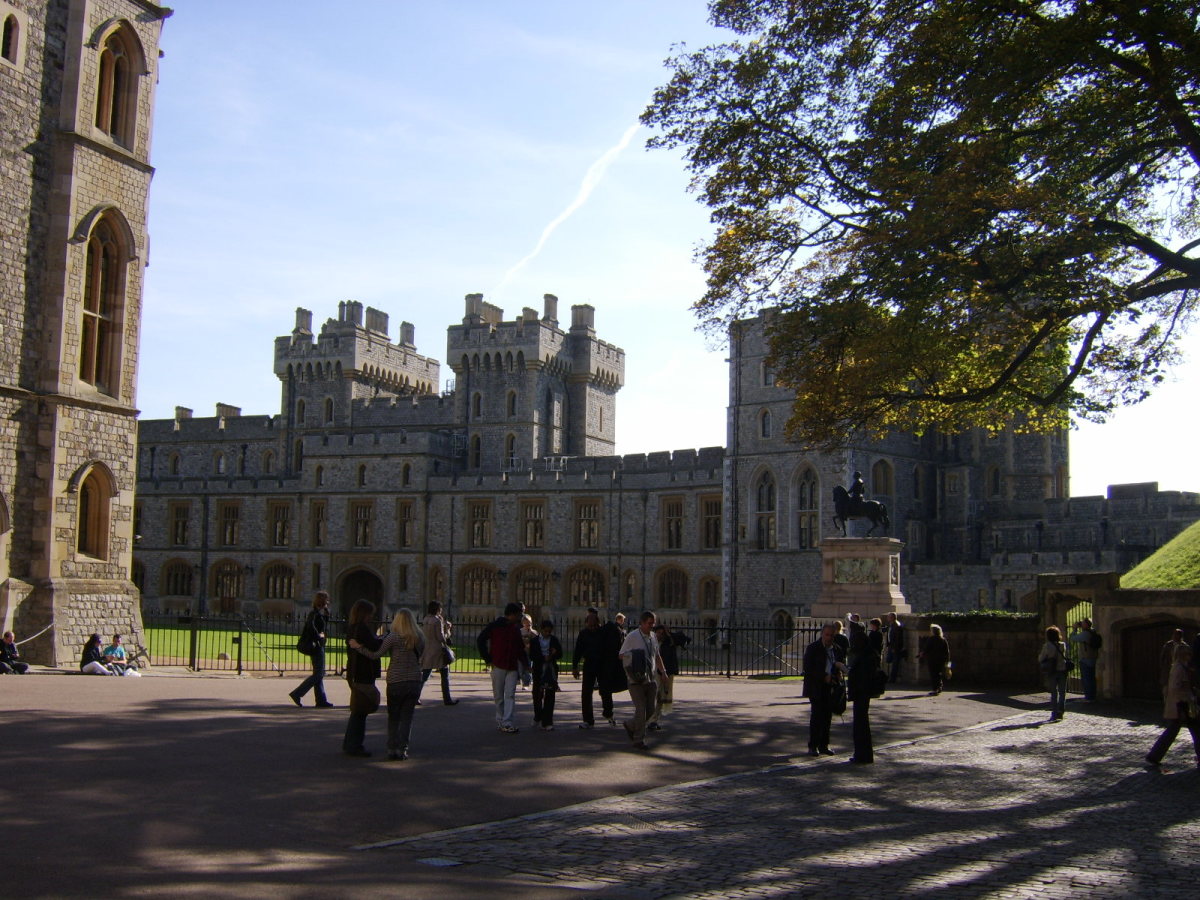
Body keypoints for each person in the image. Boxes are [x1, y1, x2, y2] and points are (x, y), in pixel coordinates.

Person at [350, 609, 424, 761]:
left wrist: (358, 647)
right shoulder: (419, 637)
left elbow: (375, 654)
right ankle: (402, 750)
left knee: (394, 717)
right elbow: (420, 656)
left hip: (396, 681)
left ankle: (392, 749)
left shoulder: (393, 637)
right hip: (414, 681)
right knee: (407, 718)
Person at [1145, 643, 1200, 769]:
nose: (1190, 657)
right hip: (1180, 704)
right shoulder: (1178, 668)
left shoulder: (1182, 667)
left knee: (1193, 730)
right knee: (1179, 730)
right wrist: (1188, 695)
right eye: (1188, 654)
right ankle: (1153, 756)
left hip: (1182, 703)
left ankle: (1154, 756)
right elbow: (1176, 688)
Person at [619, 611, 667, 750]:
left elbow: (657, 656)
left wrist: (663, 672)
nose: (652, 626)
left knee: (650, 711)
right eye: (649, 623)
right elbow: (621, 655)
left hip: (651, 678)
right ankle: (638, 740)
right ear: (642, 623)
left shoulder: (653, 637)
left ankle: (631, 725)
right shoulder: (632, 636)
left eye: (653, 623)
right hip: (636, 679)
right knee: (641, 710)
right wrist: (635, 657)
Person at [478, 602, 528, 734]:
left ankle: (508, 722)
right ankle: (500, 720)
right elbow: (481, 640)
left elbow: (520, 648)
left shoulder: (515, 628)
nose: (519, 617)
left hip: (511, 666)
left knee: (510, 695)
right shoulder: (495, 626)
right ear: (511, 614)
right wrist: (488, 659)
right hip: (498, 664)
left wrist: (526, 664)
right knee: (499, 696)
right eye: (518, 615)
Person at [342, 600, 382, 757]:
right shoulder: (362, 628)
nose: (371, 616)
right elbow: (374, 646)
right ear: (364, 613)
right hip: (363, 671)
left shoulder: (353, 627)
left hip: (355, 671)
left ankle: (350, 743)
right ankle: (354, 745)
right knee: (361, 710)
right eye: (370, 613)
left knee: (358, 710)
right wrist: (382, 639)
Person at [803, 624, 846, 756]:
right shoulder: (813, 648)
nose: (829, 638)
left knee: (827, 717)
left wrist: (838, 674)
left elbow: (839, 663)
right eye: (827, 635)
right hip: (816, 686)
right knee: (816, 716)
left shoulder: (837, 649)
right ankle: (813, 746)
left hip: (830, 686)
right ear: (822, 634)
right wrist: (823, 676)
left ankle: (824, 745)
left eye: (831, 635)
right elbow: (808, 668)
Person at [289, 591, 333, 708]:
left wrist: (326, 616)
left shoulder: (319, 614)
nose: (328, 602)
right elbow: (311, 626)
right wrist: (319, 637)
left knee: (318, 674)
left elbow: (320, 625)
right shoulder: (313, 614)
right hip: (316, 646)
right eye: (326, 600)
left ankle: (321, 700)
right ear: (324, 601)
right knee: (319, 674)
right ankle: (297, 693)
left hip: (319, 646)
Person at [572, 612, 614, 728]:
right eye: (590, 626)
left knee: (605, 690)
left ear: (598, 624)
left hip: (602, 664)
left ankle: (608, 713)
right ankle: (588, 719)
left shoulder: (603, 633)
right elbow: (578, 651)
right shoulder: (583, 634)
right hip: (589, 663)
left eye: (595, 626)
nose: (592, 628)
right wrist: (575, 666)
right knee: (586, 692)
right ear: (586, 624)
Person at [846, 621, 879, 763]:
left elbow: (861, 676)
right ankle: (864, 754)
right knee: (862, 724)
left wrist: (847, 670)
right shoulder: (869, 654)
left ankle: (862, 755)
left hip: (861, 693)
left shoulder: (864, 657)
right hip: (863, 693)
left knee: (860, 725)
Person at [648, 623, 690, 730]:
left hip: (667, 671)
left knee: (662, 696)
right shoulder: (651, 641)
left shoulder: (669, 641)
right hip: (655, 671)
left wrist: (669, 634)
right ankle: (651, 719)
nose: (659, 635)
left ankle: (655, 720)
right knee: (655, 694)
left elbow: (682, 637)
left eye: (662, 633)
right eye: (658, 632)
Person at [419, 600, 458, 705]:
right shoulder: (437, 621)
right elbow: (441, 637)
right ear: (437, 609)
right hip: (438, 651)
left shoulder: (426, 619)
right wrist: (448, 630)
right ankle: (447, 698)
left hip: (428, 649)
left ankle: (415, 696)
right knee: (445, 675)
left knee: (425, 674)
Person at [528, 619, 563, 730]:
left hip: (551, 670)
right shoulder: (534, 641)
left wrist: (554, 653)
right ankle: (538, 716)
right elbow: (532, 655)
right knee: (537, 694)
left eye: (549, 631)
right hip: (539, 669)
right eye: (546, 631)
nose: (548, 633)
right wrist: (543, 658)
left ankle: (547, 721)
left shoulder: (554, 640)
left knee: (550, 695)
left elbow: (560, 654)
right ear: (541, 630)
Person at [1038, 626, 1070, 721]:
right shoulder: (1062, 645)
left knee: (1054, 692)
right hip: (1062, 669)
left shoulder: (1047, 646)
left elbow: (1041, 658)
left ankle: (1054, 712)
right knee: (1062, 692)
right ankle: (1061, 710)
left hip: (1052, 671)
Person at [1068, 618, 1100, 702]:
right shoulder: (1093, 632)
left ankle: (1088, 697)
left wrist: (1074, 629)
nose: (1081, 624)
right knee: (1091, 678)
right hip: (1093, 657)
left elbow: (1072, 638)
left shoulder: (1085, 634)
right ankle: (1092, 696)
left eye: (1082, 623)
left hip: (1085, 659)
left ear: (1086, 625)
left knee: (1086, 678)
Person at [920, 624, 951, 695]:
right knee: (939, 673)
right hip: (941, 660)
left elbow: (926, 649)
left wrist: (922, 654)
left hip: (932, 659)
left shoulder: (931, 639)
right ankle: (939, 687)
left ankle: (935, 689)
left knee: (933, 674)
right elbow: (947, 652)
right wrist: (948, 664)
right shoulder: (943, 640)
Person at [885, 612, 906, 683]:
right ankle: (890, 677)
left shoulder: (896, 626)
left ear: (892, 618)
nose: (887, 618)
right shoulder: (892, 625)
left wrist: (895, 648)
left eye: (889, 617)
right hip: (892, 646)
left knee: (895, 663)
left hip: (895, 648)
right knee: (890, 661)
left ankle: (892, 678)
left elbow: (898, 638)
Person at [518, 613, 536, 689]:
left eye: (528, 622)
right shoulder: (520, 631)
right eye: (525, 622)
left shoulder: (534, 632)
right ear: (523, 623)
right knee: (521, 668)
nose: (527, 624)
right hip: (521, 653)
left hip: (529, 653)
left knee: (528, 668)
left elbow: (536, 643)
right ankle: (524, 680)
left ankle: (526, 684)